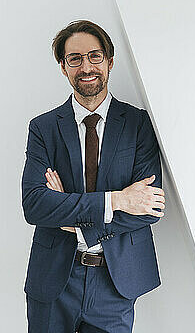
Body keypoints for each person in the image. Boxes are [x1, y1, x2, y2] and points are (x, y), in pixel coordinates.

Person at [21, 19, 166, 332]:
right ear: (63, 67)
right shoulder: (43, 128)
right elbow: (34, 205)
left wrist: (73, 220)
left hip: (115, 284)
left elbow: (148, 208)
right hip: (54, 282)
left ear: (110, 62)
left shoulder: (138, 125)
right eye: (75, 59)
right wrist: (117, 200)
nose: (86, 67)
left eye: (94, 56)